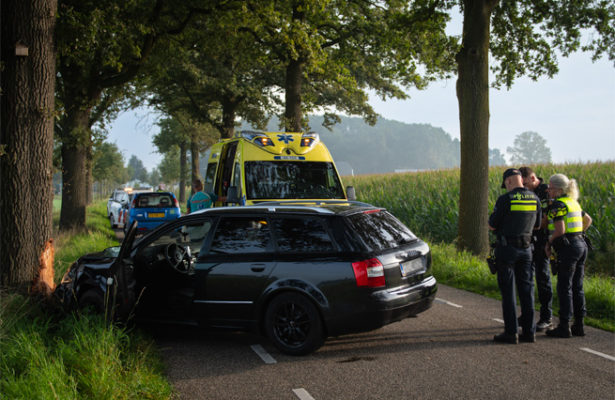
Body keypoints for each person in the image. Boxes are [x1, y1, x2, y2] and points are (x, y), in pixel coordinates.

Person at [488, 168, 541, 344]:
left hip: (507, 250)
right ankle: (529, 332)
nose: (506, 187)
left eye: (506, 184)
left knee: (509, 292)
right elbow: (538, 225)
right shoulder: (535, 198)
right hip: (527, 250)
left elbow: (492, 225)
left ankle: (511, 333)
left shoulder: (506, 199)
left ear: (509, 181)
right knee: (527, 291)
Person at [544, 173, 592, 338]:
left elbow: (560, 230)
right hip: (581, 245)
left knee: (565, 287)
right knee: (577, 287)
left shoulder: (558, 205)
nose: (548, 191)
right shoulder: (573, 202)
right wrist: (578, 233)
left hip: (569, 248)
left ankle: (564, 326)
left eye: (550, 188)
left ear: (558, 190)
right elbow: (588, 220)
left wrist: (549, 243)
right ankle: (579, 325)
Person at [519, 166, 553, 331]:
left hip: (542, 242)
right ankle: (527, 315)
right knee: (527, 279)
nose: (524, 187)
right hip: (529, 241)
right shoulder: (527, 193)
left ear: (532, 178)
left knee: (543, 278)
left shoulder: (545, 193)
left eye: (525, 183)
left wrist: (526, 224)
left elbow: (546, 221)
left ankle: (546, 316)